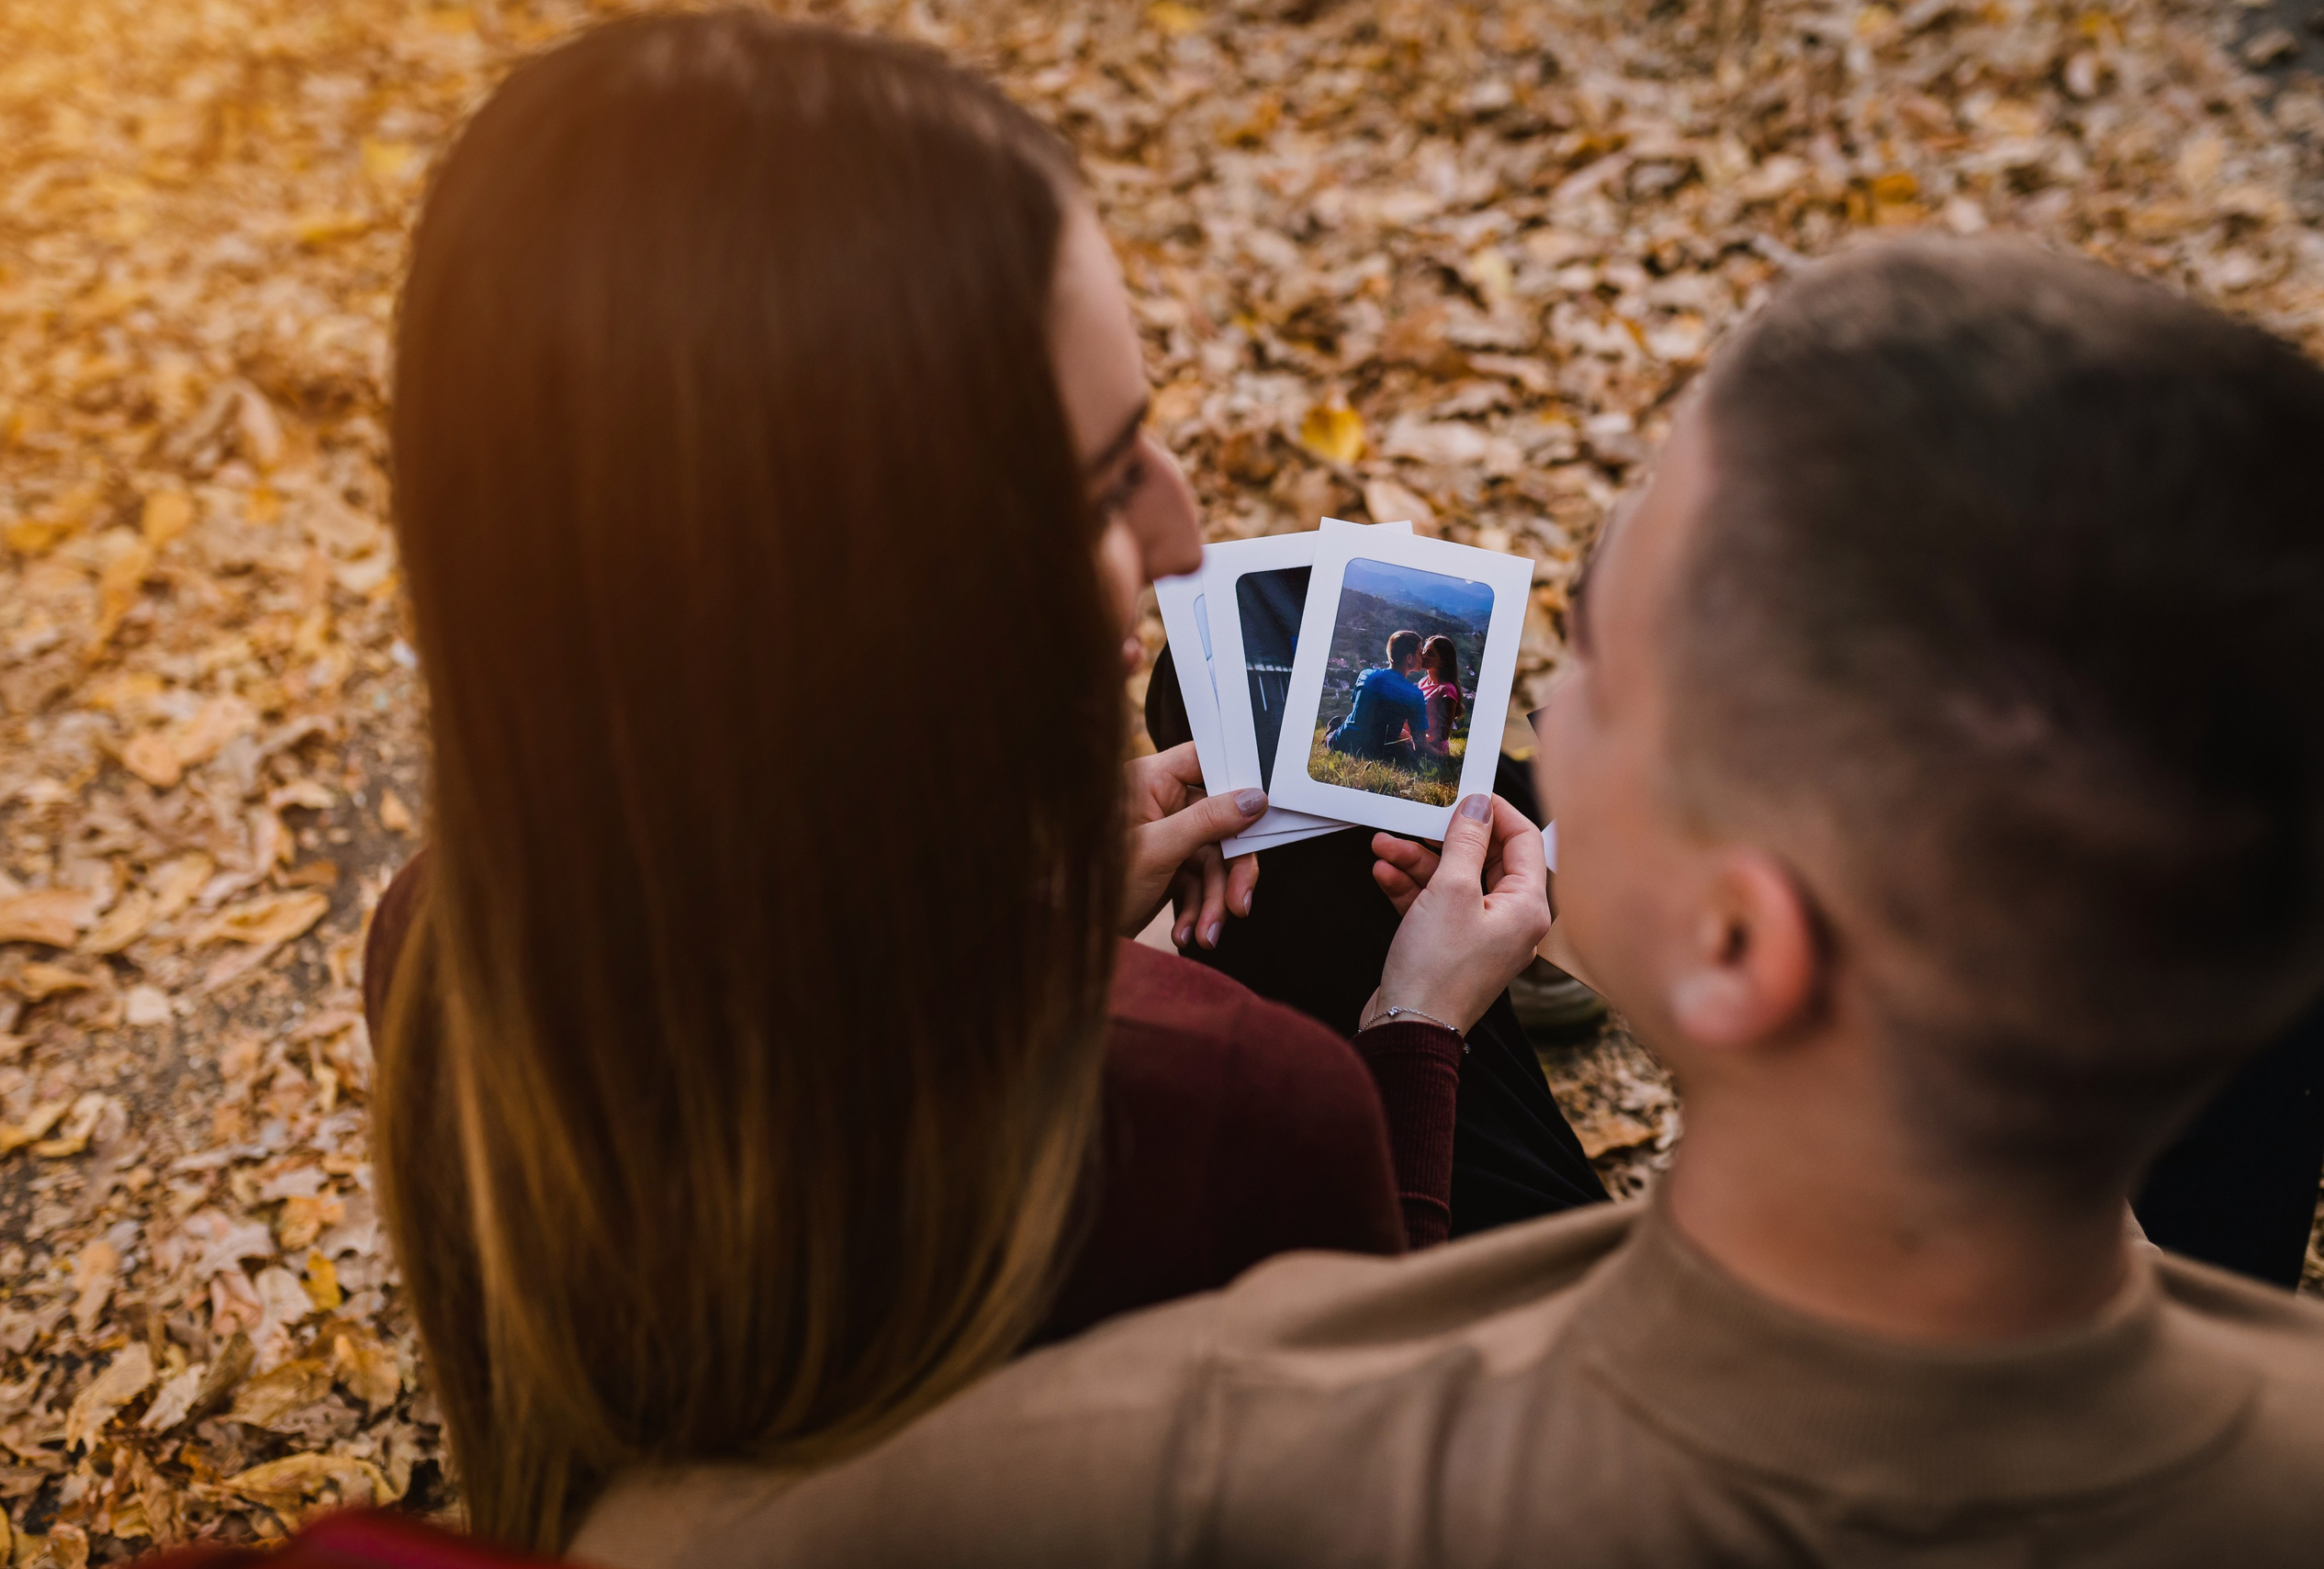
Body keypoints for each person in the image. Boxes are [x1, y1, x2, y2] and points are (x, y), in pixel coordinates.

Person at [569, 240, 2324, 1565]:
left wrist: (1393, 1031)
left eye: (1584, 655)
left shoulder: (1194, 1451)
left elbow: (644, 1536)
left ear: (1735, 943)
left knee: (1235, 727)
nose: (1528, 721)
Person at [365, 14, 1498, 1554]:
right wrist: (1418, 1031)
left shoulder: (445, 942)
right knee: (1410, 832)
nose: (1181, 535)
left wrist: (1030, 917)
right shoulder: (1235, 1103)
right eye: (1104, 479)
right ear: (889, 593)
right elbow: (1367, 1486)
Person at [1323, 629, 1429, 759]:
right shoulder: (1415, 694)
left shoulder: (1365, 675)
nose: (1423, 656)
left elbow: (1357, 714)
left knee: (1336, 733)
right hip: (1375, 753)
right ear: (1409, 658)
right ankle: (1331, 729)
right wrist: (1444, 756)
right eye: (1419, 653)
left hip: (1342, 743)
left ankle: (1334, 727)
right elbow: (1421, 746)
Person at [1416, 633, 1463, 759]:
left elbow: (1443, 735)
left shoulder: (1447, 690)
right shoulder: (1423, 682)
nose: (1423, 656)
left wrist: (1419, 739)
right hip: (1420, 740)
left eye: (1430, 654)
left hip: (1434, 750)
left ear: (1443, 662)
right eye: (1424, 650)